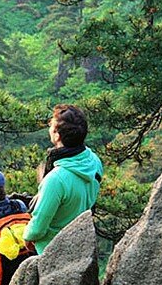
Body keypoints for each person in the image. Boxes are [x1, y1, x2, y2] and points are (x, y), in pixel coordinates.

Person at [23, 104, 103, 255]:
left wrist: (27, 236)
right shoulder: (93, 161)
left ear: (57, 135)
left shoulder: (56, 179)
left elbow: (37, 229)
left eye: (51, 125)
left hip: (53, 251)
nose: (49, 127)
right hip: (81, 244)